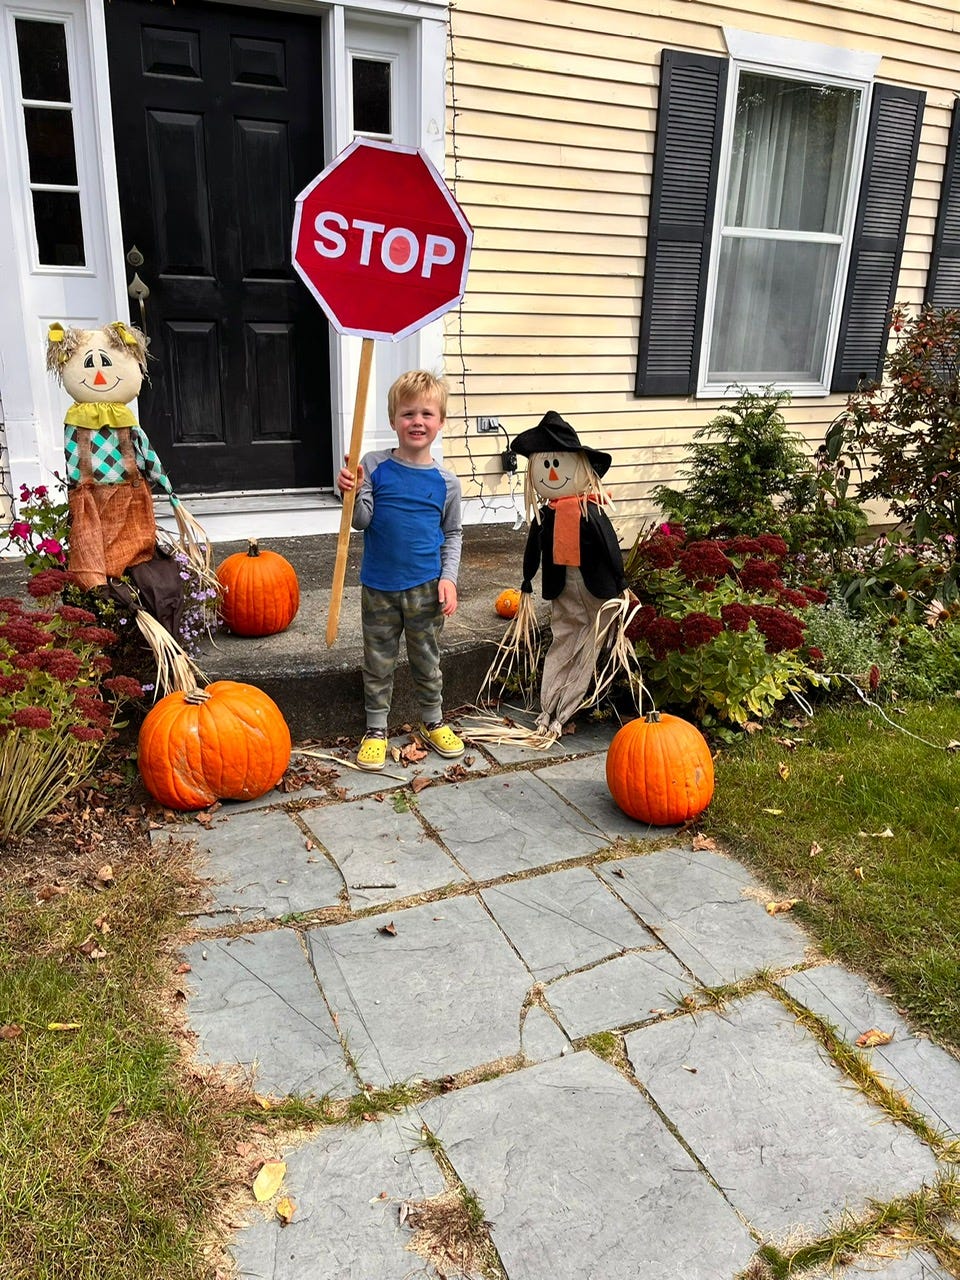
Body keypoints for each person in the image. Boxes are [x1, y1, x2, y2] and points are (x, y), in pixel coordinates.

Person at [336, 370, 465, 771]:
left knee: (427, 658)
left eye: (427, 414)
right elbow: (361, 521)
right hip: (379, 587)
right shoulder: (373, 466)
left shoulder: (447, 482)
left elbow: (453, 533)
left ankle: (432, 720)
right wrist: (352, 492)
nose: (417, 421)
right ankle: (376, 728)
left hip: (426, 587)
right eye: (408, 413)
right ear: (393, 420)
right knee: (378, 660)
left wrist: (449, 579)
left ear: (440, 422)